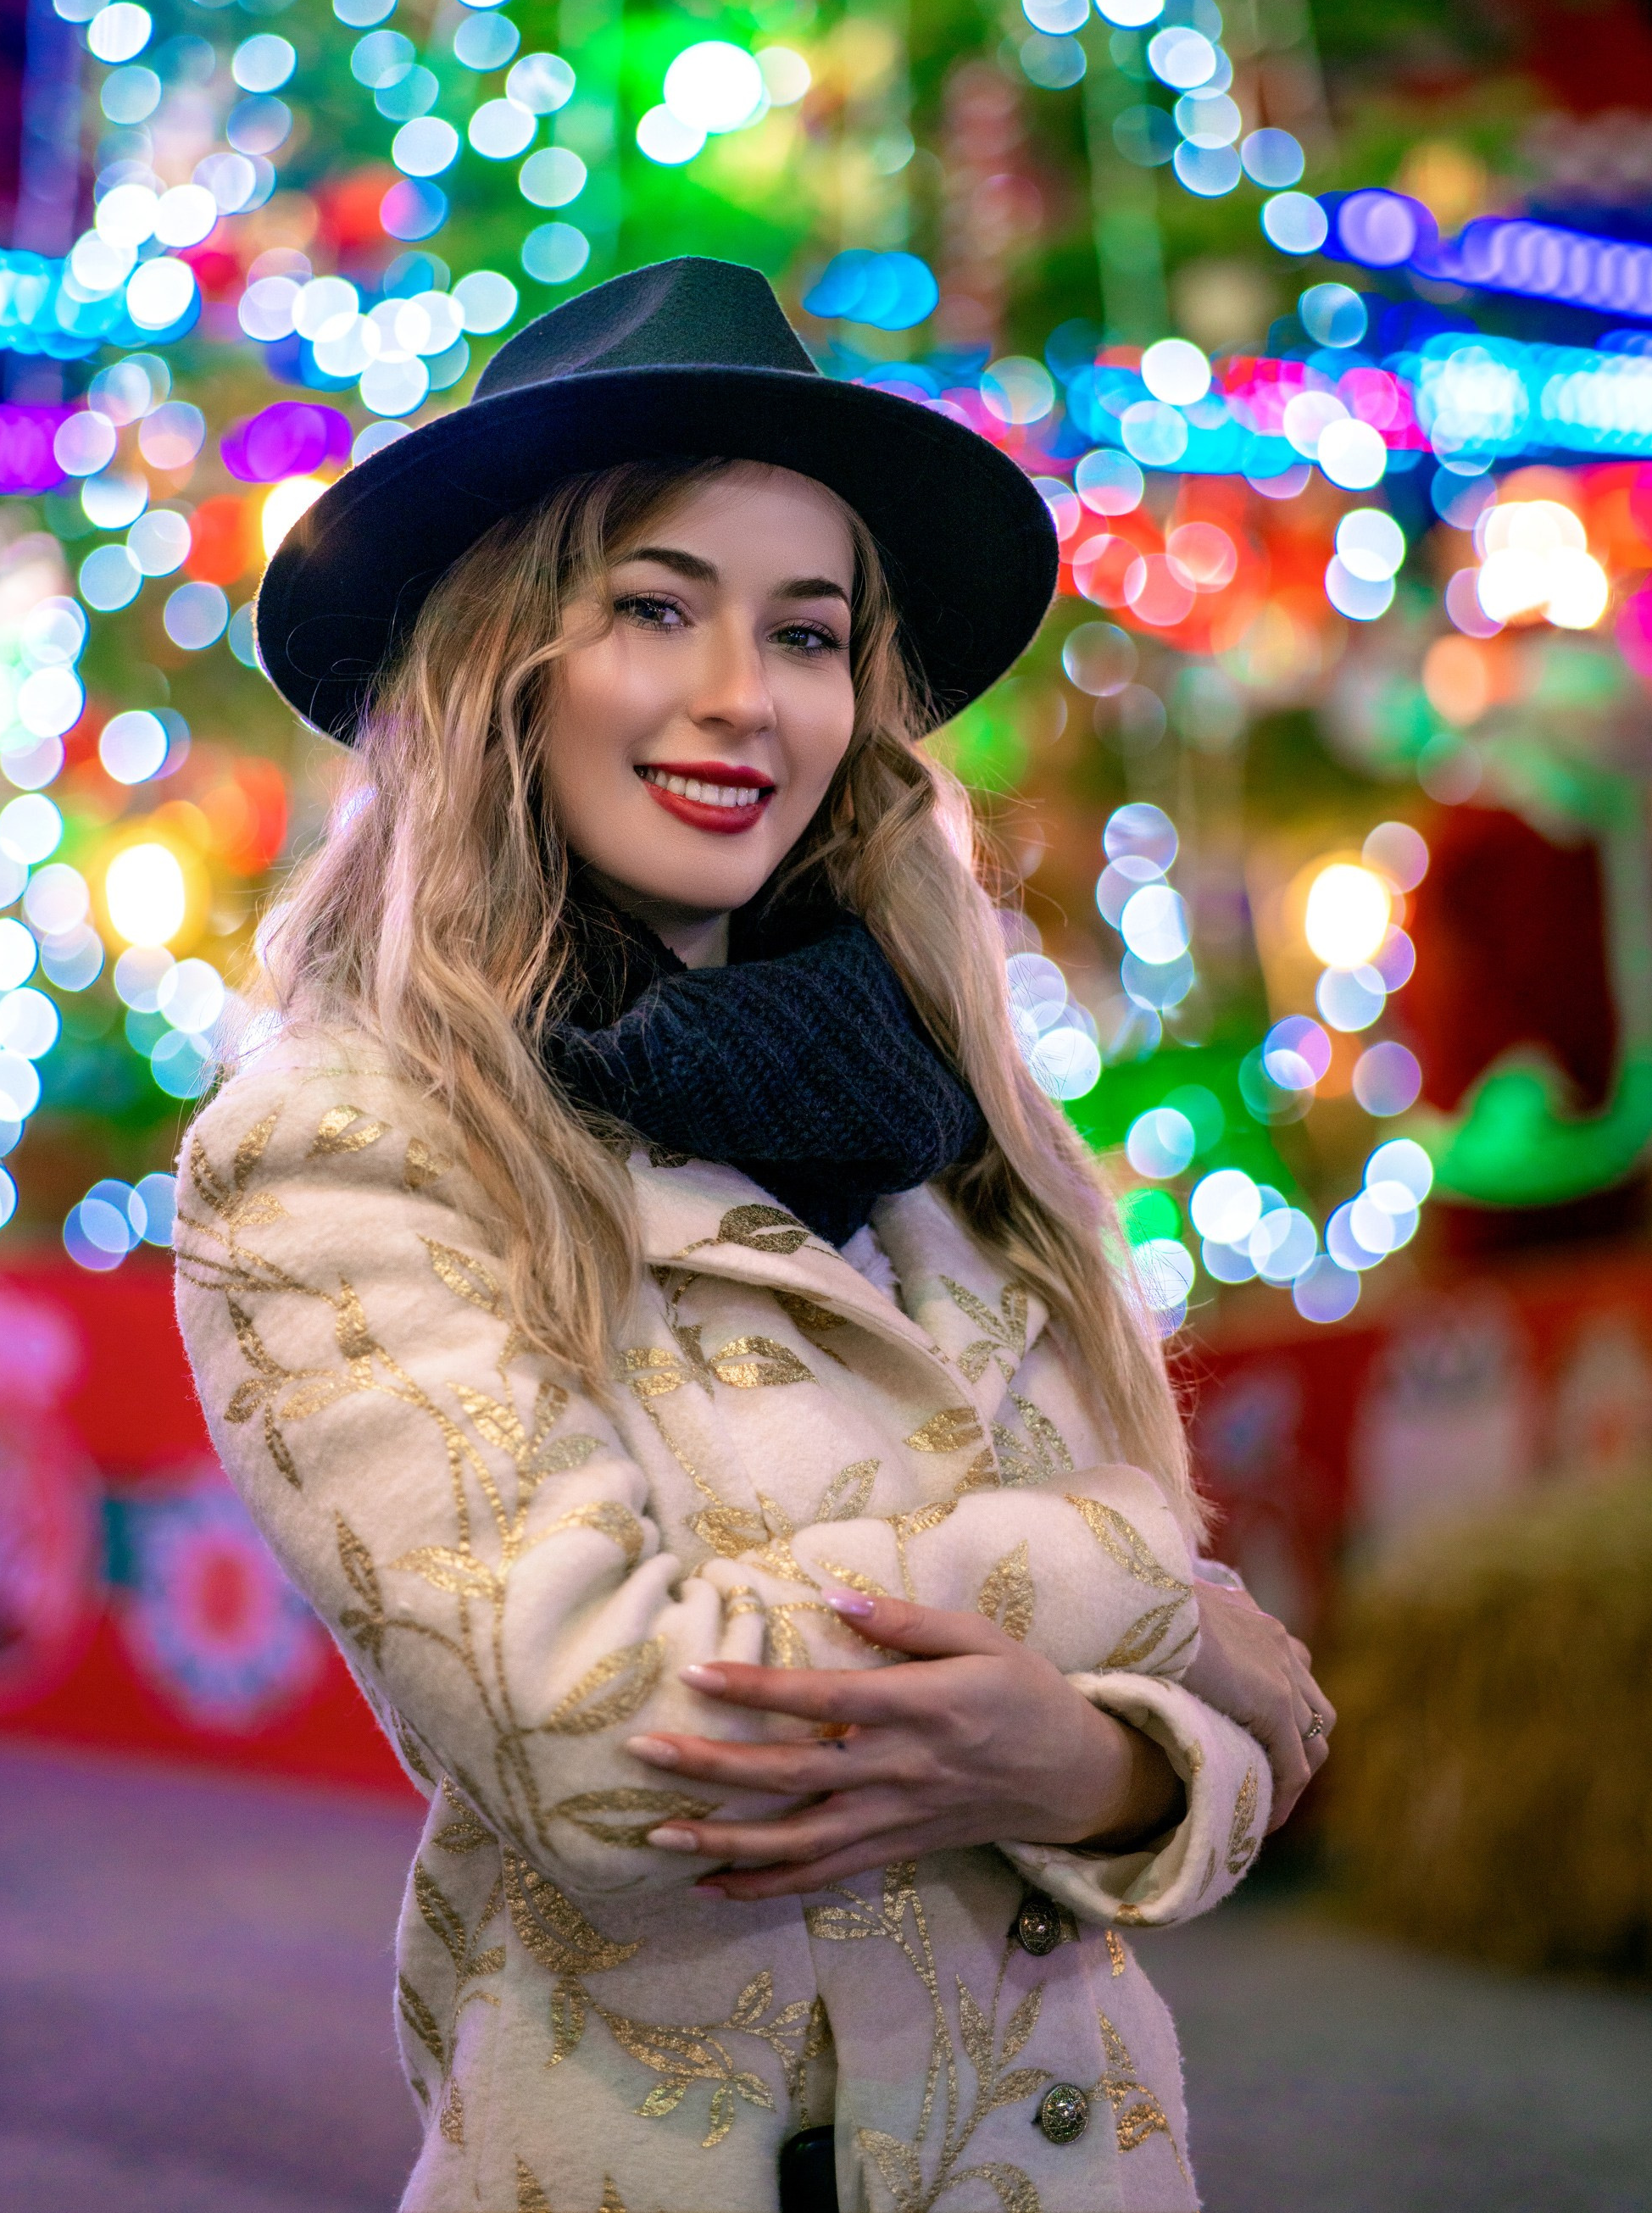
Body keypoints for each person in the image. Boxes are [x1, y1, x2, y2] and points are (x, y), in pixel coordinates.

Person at [175, 257, 1332, 2213]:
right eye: (651, 607)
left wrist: (1095, 1771)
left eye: (806, 635)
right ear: (496, 667)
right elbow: (609, 1747)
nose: (742, 697)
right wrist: (1145, 1587)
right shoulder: (346, 1141)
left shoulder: (933, 1125)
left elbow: (1236, 1759)